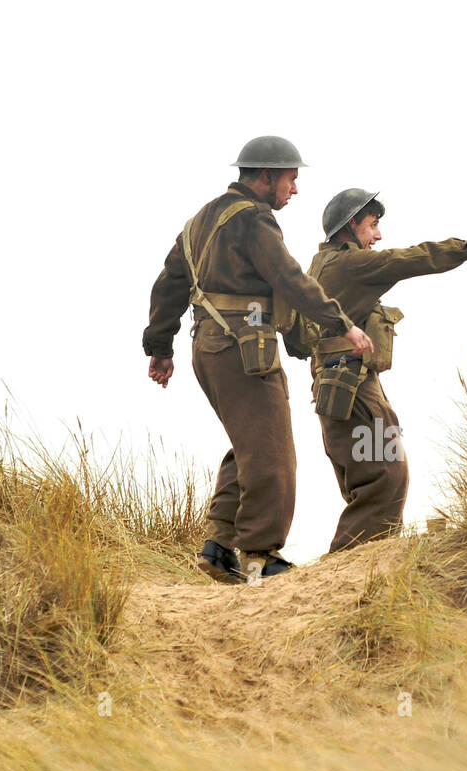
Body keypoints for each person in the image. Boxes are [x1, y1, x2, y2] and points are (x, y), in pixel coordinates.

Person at [142, 138, 373, 583]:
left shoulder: (198, 222)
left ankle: (218, 547)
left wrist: (161, 348)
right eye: (291, 179)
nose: (295, 190)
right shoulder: (254, 218)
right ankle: (259, 556)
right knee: (272, 451)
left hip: (207, 346)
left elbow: (168, 285)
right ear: (266, 177)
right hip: (244, 346)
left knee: (249, 443)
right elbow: (289, 278)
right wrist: (341, 323)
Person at [305, 188, 467, 552]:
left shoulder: (321, 264)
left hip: (337, 385)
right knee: (386, 472)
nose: (378, 235)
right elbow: (415, 258)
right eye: (372, 226)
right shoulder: (352, 264)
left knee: (367, 474)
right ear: (350, 226)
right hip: (353, 384)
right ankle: (356, 564)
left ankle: (353, 562)